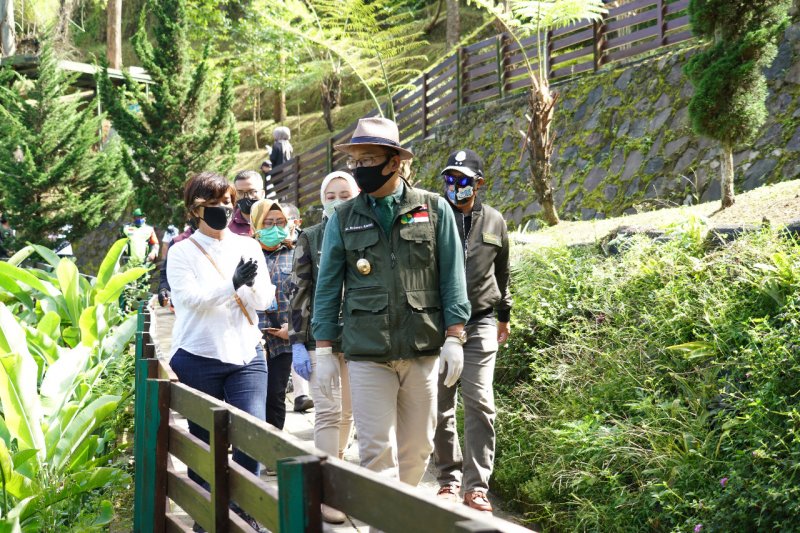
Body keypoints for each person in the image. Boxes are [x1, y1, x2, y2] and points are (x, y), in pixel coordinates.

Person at [312, 117, 471, 487]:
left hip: (422, 346)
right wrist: (323, 349)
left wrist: (454, 336)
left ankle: (405, 513)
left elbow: (452, 276)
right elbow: (328, 287)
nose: (359, 169)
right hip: (367, 350)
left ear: (394, 162)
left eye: (367, 160)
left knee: (417, 449)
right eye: (355, 161)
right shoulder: (345, 218)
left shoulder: (433, 209)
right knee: (375, 450)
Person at [166, 171, 272, 532]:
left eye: (227, 203)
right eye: (212, 205)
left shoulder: (248, 245)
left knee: (252, 434)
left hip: (246, 353)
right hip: (198, 355)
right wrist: (232, 284)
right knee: (203, 444)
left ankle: (243, 515)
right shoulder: (181, 252)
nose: (223, 210)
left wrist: (251, 284)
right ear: (195, 210)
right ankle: (206, 516)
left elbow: (265, 300)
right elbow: (189, 301)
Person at [433, 149, 512, 513]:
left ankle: (476, 486)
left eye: (463, 180)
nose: (455, 186)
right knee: (440, 403)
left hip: (480, 321)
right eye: (450, 179)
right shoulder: (433, 218)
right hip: (437, 323)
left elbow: (503, 273)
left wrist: (504, 315)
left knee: (479, 401)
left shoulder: (495, 221)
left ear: (479, 183)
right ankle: (448, 478)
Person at [289, 170, 359, 524]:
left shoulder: (366, 231)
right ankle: (326, 489)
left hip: (362, 338)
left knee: (348, 412)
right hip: (322, 338)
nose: (336, 200)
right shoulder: (311, 236)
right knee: (328, 411)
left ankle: (338, 465)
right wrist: (299, 341)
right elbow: (299, 291)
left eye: (344, 193)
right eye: (330, 195)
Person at [250, 199, 300, 430]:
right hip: (250, 339)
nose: (274, 228)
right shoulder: (243, 252)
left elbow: (304, 294)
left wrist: (292, 328)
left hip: (282, 338)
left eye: (280, 222)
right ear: (256, 225)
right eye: (267, 222)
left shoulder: (297, 253)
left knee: (275, 396)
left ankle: (273, 452)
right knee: (249, 397)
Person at [229, 170, 265, 237]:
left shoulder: (278, 218)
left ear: (262, 193)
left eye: (252, 191)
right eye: (240, 192)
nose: (246, 197)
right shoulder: (228, 225)